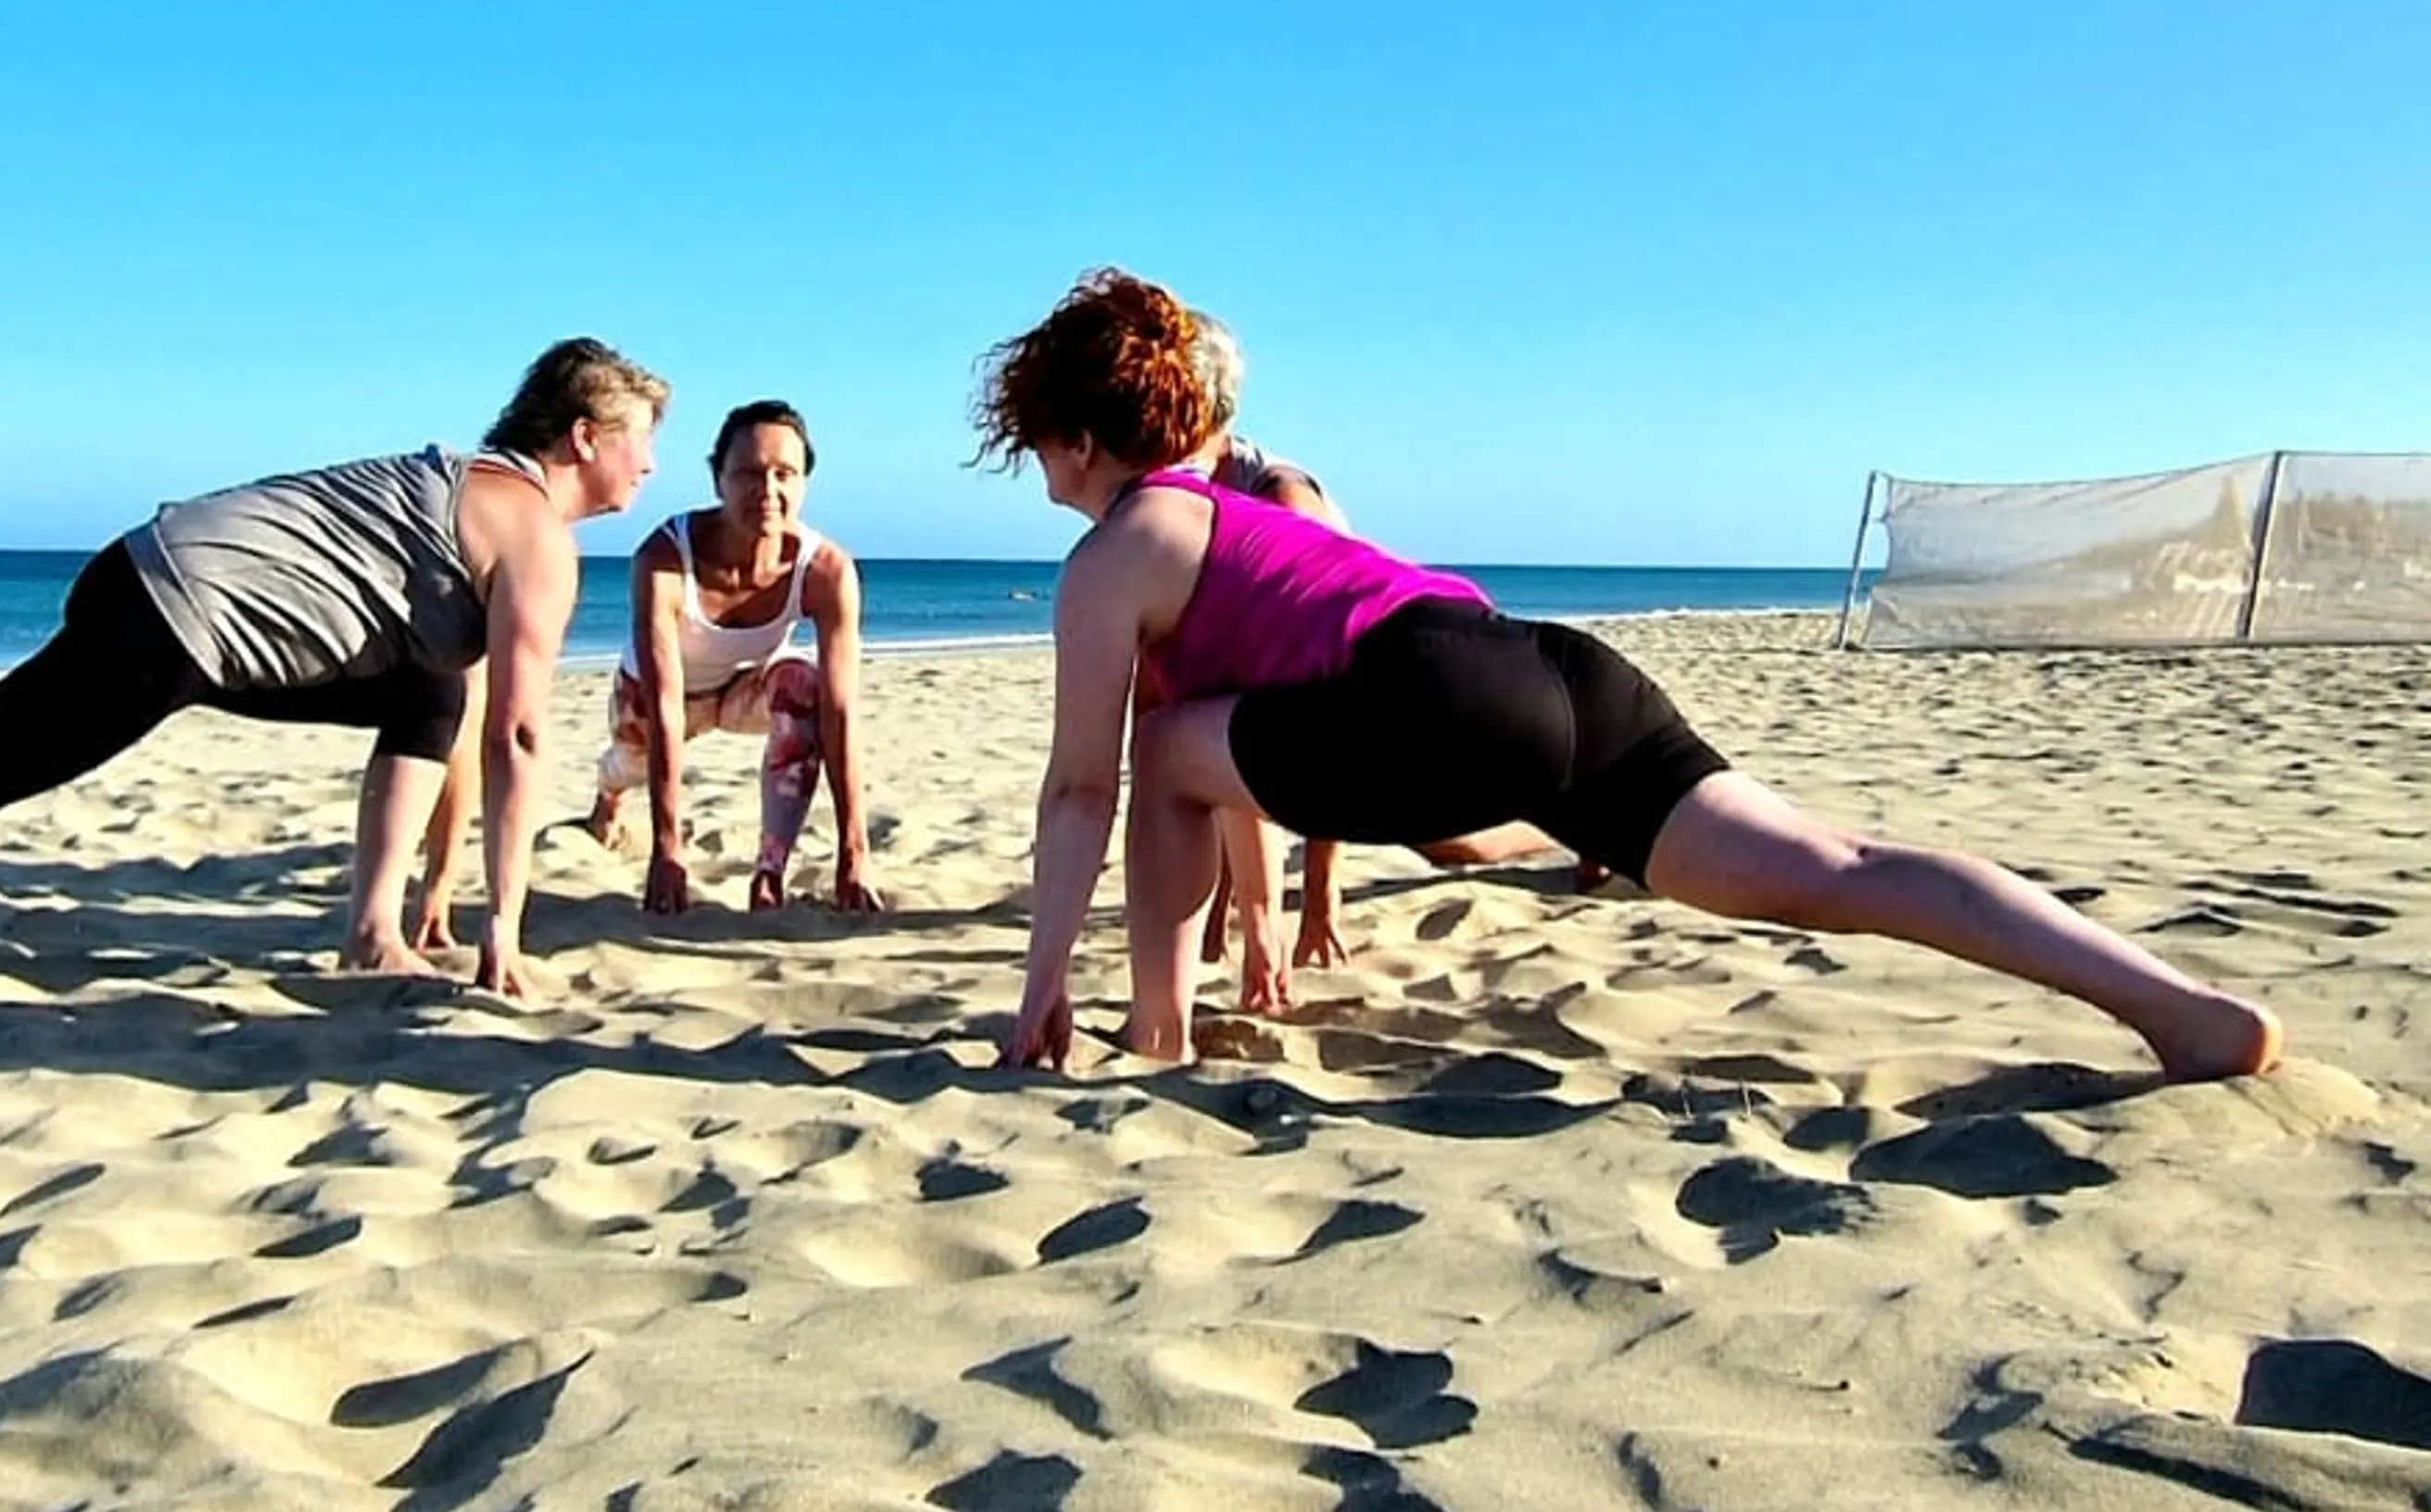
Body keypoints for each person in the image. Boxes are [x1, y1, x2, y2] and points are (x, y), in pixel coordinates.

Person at [976, 273, 2279, 1085]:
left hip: (1426, 696)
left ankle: (1157, 1033)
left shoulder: (1121, 550)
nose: (1039, 472)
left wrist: (1043, 987)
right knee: (1836, 865)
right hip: (1552, 668)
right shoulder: (1265, 512)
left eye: (1038, 445)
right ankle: (2174, 1009)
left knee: (1165, 753)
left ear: (1079, 439)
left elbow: (1083, 793)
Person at [0, 341, 669, 1016]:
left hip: (159, 588)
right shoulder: (535, 535)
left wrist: (444, 893)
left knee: (427, 684)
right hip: (166, 622)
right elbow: (520, 737)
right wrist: (504, 935)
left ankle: (372, 934)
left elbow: (467, 704)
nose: (650, 469)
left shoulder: (466, 483)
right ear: (585, 437)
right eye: (641, 446)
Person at [583, 399, 885, 914]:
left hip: (744, 689)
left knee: (804, 686)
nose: (767, 491)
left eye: (784, 474)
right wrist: (667, 850)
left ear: (804, 483)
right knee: (627, 767)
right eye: (748, 473)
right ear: (718, 480)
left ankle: (769, 874)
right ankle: (606, 802)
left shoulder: (826, 570)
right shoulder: (664, 557)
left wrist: (854, 853)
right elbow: (665, 702)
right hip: (655, 699)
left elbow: (839, 712)